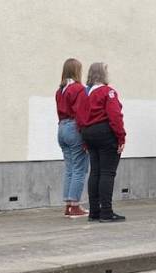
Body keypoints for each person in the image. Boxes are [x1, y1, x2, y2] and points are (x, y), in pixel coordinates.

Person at [77, 62, 126, 223]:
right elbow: (115, 116)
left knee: (95, 172)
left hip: (88, 133)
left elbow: (79, 117)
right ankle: (106, 212)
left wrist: (84, 139)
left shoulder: (84, 93)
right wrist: (121, 137)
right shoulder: (108, 92)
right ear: (103, 75)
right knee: (107, 172)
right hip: (105, 133)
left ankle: (94, 212)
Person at [55, 58, 89, 218]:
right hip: (74, 127)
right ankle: (75, 206)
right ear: (77, 71)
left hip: (61, 128)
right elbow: (81, 113)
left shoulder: (60, 90)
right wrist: (85, 135)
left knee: (69, 168)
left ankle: (68, 205)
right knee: (79, 168)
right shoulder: (78, 89)